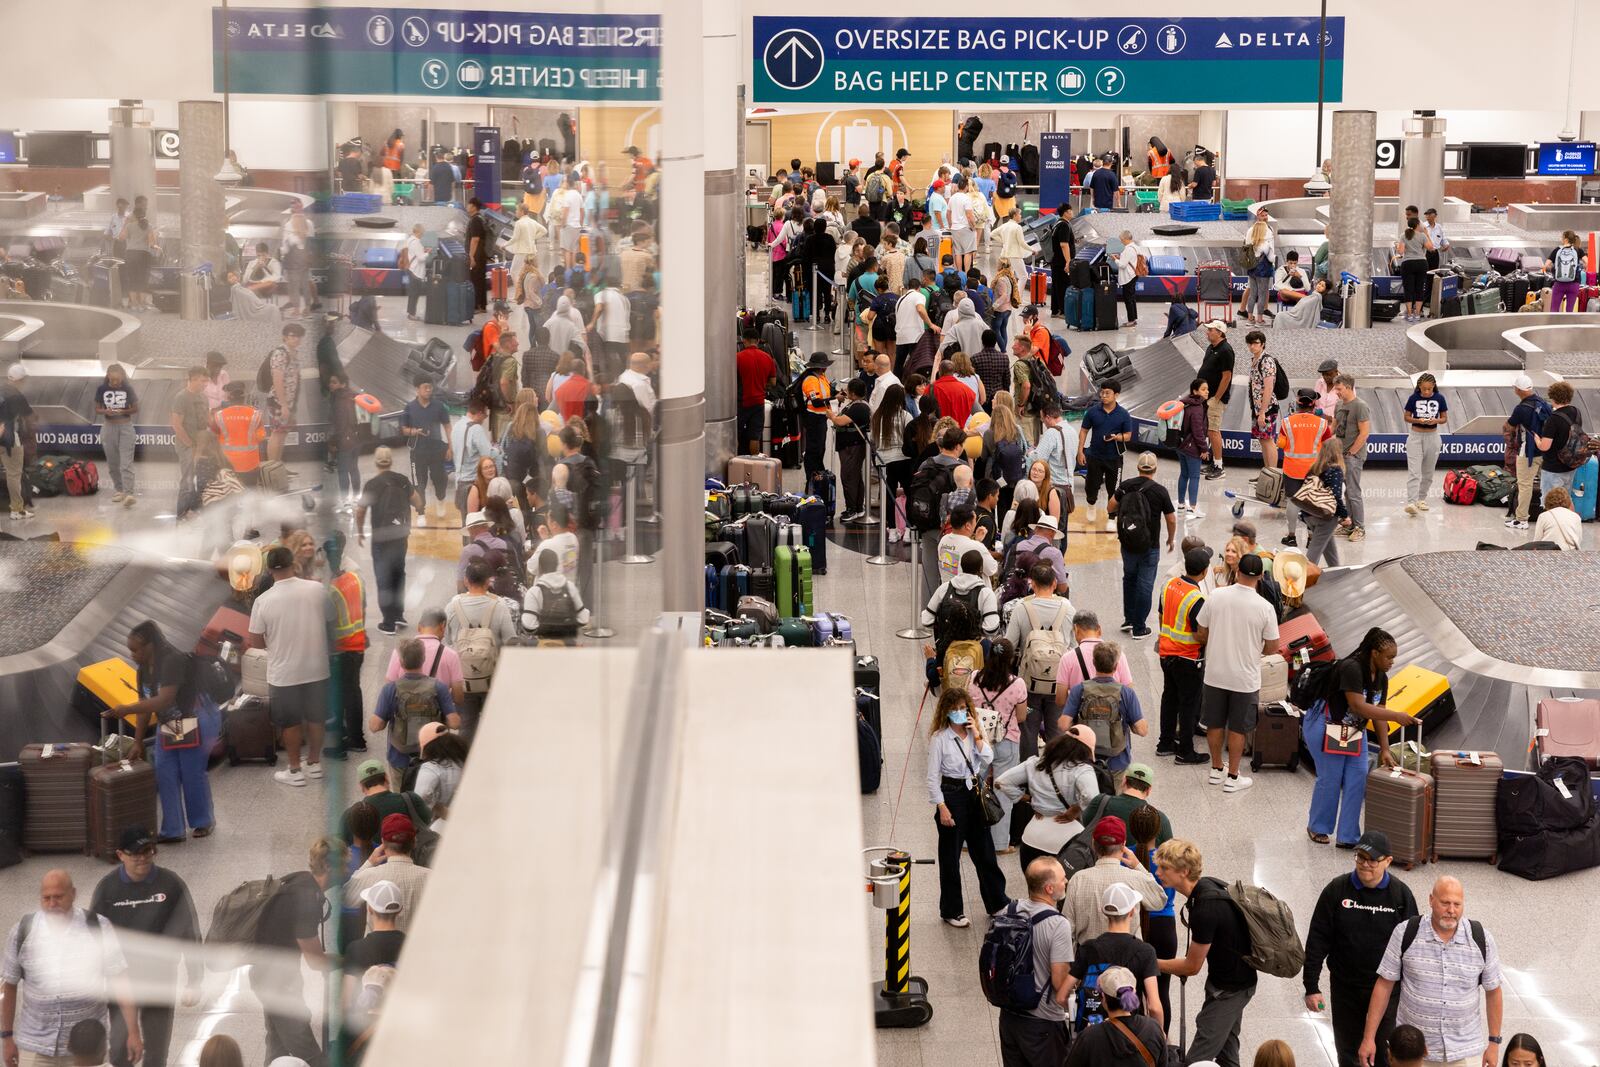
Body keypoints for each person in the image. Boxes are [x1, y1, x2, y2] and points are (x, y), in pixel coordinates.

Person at [1303, 831, 1420, 1067]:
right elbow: (1317, 939)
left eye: (1372, 860)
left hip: (1387, 989)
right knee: (1348, 1052)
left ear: (1388, 861)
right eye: (1360, 858)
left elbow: (1413, 947)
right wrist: (1311, 986)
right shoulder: (1337, 890)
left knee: (1384, 1054)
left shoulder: (1400, 896)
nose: (1365, 865)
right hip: (1345, 987)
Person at [2, 871, 142, 1067]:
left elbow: (120, 980)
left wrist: (133, 1032)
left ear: (73, 894)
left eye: (58, 897)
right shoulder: (22, 931)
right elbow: (9, 986)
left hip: (85, 1050)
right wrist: (6, 1037)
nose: (52, 904)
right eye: (46, 898)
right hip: (35, 1047)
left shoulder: (98, 927)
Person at [1361, 877, 1504, 1067]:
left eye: (1457, 904)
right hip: (1414, 1053)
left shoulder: (1481, 939)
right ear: (1431, 900)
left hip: (1465, 1051)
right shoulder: (1405, 933)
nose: (1451, 910)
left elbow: (1493, 992)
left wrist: (1494, 1044)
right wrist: (1368, 1038)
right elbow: (1384, 985)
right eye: (1445, 903)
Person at [89, 829, 202, 1067]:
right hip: (121, 982)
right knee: (120, 1052)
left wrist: (194, 980)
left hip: (159, 979)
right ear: (120, 855)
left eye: (148, 851)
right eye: (136, 853)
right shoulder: (107, 890)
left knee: (157, 1054)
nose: (143, 858)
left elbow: (189, 932)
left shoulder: (170, 884)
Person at [105, 622, 219, 841]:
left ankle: (202, 821)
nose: (132, 654)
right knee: (164, 771)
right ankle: (173, 829)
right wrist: (138, 742)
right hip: (169, 723)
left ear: (150, 646)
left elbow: (163, 700)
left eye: (135, 649)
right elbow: (145, 708)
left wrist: (125, 709)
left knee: (191, 772)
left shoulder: (172, 661)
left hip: (195, 717)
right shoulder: (142, 672)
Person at [1302, 628, 1415, 846]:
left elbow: (1379, 714)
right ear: (1374, 653)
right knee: (1331, 778)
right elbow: (1358, 706)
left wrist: (1384, 748)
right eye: (1389, 657)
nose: (1392, 662)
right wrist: (1397, 716)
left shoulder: (1382, 677)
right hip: (1325, 724)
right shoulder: (1351, 668)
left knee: (1358, 777)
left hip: (1352, 729)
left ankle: (1348, 836)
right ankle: (1318, 827)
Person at [1155, 840, 1256, 1067]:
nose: (1158, 872)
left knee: (1196, 1061)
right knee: (1228, 1056)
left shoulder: (1205, 909)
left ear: (1184, 872)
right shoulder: (1209, 886)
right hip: (1234, 982)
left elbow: (1192, 967)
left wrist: (1152, 963)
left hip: (1230, 990)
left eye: (1164, 868)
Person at [1195, 552, 1280, 794]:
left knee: (1214, 722)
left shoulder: (1216, 596)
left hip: (1215, 672)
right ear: (1261, 576)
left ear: (1237, 571)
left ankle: (1215, 769)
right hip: (1245, 678)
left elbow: (1201, 630)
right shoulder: (1265, 607)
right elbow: (1273, 647)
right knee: (1238, 728)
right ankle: (1233, 776)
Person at [248, 544, 332, 787]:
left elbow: (255, 641)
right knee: (316, 718)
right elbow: (330, 620)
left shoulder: (263, 601)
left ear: (268, 570)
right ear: (293, 564)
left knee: (290, 722)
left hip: (284, 673)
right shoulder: (316, 590)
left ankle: (294, 771)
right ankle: (314, 763)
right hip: (317, 668)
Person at [926, 688, 1009, 927]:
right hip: (951, 794)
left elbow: (988, 758)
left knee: (984, 850)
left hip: (973, 792)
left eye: (963, 709)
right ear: (946, 712)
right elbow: (932, 777)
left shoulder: (974, 732)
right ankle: (952, 909)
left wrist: (977, 734)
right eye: (955, 710)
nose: (960, 713)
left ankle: (997, 902)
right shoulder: (940, 739)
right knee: (950, 855)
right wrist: (941, 806)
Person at [990, 857, 1074, 1067]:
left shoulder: (1007, 911)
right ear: (1048, 888)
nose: (1066, 882)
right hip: (1042, 1022)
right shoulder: (1058, 925)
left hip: (1009, 1016)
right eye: (1063, 879)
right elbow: (1059, 981)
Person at [1064, 881, 1163, 1032]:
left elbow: (1061, 996)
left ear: (1103, 912)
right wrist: (1159, 1034)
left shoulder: (1088, 948)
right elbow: (1154, 1007)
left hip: (1096, 1032)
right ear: (1132, 912)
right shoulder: (1145, 951)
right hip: (1132, 1033)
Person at [1063, 815, 1168, 948]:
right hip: (1127, 962)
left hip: (1089, 961)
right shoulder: (1134, 877)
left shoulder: (1078, 879)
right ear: (1123, 844)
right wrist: (1138, 866)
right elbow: (1159, 901)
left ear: (1093, 843)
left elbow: (1067, 929)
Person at [1061, 641, 1148, 790]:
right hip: (1117, 761)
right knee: (1114, 806)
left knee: (1087, 803)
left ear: (1094, 663)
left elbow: (1063, 724)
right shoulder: (1126, 693)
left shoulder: (1079, 690)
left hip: (1085, 761)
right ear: (1116, 666)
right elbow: (1142, 730)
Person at [1108, 452, 1177, 638]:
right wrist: (1171, 539)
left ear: (1138, 467)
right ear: (1155, 469)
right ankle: (1139, 627)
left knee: (1129, 578)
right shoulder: (1160, 491)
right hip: (1150, 545)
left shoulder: (1126, 486)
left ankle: (1129, 619)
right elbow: (1171, 519)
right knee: (1145, 585)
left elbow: (1110, 507)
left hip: (1128, 542)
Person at [355, 446, 420, 636]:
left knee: (383, 577)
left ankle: (388, 622)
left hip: (381, 538)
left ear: (376, 462)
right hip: (400, 536)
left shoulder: (372, 484)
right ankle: (399, 614)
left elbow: (360, 511)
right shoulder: (402, 480)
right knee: (399, 573)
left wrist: (360, 532)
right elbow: (418, 501)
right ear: (391, 461)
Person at [1157, 547, 1212, 764]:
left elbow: (1161, 616)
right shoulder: (1196, 598)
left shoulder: (1169, 585)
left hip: (1166, 653)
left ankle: (1165, 743)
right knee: (1189, 704)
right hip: (1188, 658)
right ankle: (1185, 751)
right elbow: (1200, 635)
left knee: (1169, 698)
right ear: (1205, 572)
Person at [1062, 964, 1167, 1067]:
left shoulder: (1089, 1036)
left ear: (1103, 996)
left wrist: (1091, 1033)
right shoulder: (1153, 1028)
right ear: (1133, 992)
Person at [1278, 388, 1333, 548]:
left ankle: (1291, 536)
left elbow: (1281, 444)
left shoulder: (1286, 422)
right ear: (1314, 404)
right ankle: (1310, 537)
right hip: (1315, 470)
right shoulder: (1322, 424)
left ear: (1298, 402)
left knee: (1293, 502)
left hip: (1292, 469)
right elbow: (1328, 447)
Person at [1078, 382, 1133, 528]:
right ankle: (1091, 504)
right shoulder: (1093, 412)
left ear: (1116, 395)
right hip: (1094, 455)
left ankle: (1111, 518)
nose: (1103, 396)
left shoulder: (1123, 414)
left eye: (1107, 393)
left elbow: (1128, 436)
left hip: (1114, 458)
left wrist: (1116, 437)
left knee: (1114, 489)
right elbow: (1084, 430)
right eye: (1102, 392)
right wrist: (1080, 451)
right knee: (1091, 485)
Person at [399, 378, 452, 525]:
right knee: (419, 483)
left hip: (437, 450)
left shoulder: (439, 406)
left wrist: (450, 447)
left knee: (440, 479)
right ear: (417, 388)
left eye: (430, 387)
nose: (428, 390)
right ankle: (421, 512)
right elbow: (403, 429)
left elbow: (447, 426)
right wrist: (414, 431)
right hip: (418, 452)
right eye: (425, 387)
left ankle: (440, 499)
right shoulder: (409, 407)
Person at [1397, 373, 1450, 516]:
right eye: (1423, 389)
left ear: (1434, 386)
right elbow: (1406, 417)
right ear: (1419, 387)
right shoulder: (1413, 398)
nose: (1426, 392)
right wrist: (1418, 420)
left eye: (1429, 389)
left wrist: (1436, 421)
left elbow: (1444, 418)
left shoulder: (1440, 398)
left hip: (1433, 437)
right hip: (1415, 436)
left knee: (1428, 472)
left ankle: (1421, 498)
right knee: (1414, 472)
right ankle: (1411, 502)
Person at [1502, 376, 1550, 530]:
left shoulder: (1521, 409)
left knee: (1525, 485)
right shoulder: (1543, 403)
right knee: (1548, 484)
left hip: (1528, 452)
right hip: (1546, 450)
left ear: (1518, 390)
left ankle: (1522, 519)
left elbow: (1509, 426)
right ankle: (1552, 516)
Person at [829, 378, 874, 525]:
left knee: (848, 477)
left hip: (852, 447)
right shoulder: (857, 405)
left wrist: (831, 416)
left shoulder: (859, 407)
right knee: (855, 477)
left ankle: (852, 509)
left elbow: (840, 421)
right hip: (851, 446)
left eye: (848, 390)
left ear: (854, 393)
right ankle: (858, 507)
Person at [1332, 374, 1371, 541]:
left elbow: (1364, 434)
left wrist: (1351, 452)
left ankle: (1360, 528)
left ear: (1348, 387)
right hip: (1340, 455)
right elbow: (1333, 427)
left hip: (1352, 457)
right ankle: (1350, 525)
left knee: (1353, 492)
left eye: (1339, 389)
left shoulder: (1360, 406)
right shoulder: (1339, 404)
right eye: (1335, 389)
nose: (1336, 392)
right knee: (1345, 492)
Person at [1300, 438, 1350, 567]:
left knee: (1329, 547)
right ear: (1337, 453)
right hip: (1325, 517)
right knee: (1313, 554)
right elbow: (1335, 496)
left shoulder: (1314, 468)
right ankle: (1304, 579)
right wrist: (1345, 515)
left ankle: (1336, 572)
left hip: (1309, 515)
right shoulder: (1335, 470)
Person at [95, 364, 139, 508]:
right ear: (108, 376)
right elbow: (97, 408)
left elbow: (135, 408)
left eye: (118, 379)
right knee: (113, 462)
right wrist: (106, 411)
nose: (116, 382)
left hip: (125, 427)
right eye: (113, 379)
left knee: (126, 462)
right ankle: (119, 489)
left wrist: (122, 410)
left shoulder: (128, 389)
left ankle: (129, 493)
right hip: (108, 427)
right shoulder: (101, 389)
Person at [521, 547, 590, 638]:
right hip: (568, 644)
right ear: (557, 565)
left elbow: (529, 626)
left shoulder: (534, 592)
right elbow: (584, 619)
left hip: (545, 646)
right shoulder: (570, 587)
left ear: (540, 567)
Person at [1534, 379, 1585, 498]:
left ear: (1553, 397)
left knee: (1551, 501)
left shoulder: (1553, 419)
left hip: (1553, 468)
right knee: (1565, 499)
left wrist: (1537, 440)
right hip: (1570, 464)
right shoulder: (1576, 412)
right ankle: (1571, 517)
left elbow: (1545, 446)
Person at [1196, 322, 1235, 478]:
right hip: (1206, 397)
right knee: (1210, 430)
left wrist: (1216, 398)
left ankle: (1219, 467)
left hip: (1215, 399)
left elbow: (1227, 377)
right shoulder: (1211, 347)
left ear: (1219, 333)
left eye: (1210, 330)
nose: (1207, 332)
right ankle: (1214, 463)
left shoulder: (1226, 350)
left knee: (1213, 431)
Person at [1243, 331, 1283, 469]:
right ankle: (1267, 472)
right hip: (1257, 407)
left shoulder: (1266, 361)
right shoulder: (1255, 360)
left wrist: (1262, 412)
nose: (1252, 346)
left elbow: (1268, 387)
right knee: (1262, 439)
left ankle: (1272, 474)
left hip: (1267, 408)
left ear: (1263, 344)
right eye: (1250, 343)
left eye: (1256, 343)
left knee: (1268, 440)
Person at [734, 331, 776, 455]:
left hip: (741, 402)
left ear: (744, 340)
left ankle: (734, 464)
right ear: (758, 341)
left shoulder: (738, 357)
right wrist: (762, 384)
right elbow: (773, 382)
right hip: (758, 403)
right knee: (755, 437)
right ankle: (754, 465)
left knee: (736, 435)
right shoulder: (767, 357)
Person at [1174, 379, 1211, 518]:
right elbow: (1198, 432)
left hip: (1181, 446)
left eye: (1207, 389)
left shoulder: (1185, 403)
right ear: (1195, 391)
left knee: (1184, 474)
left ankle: (1181, 504)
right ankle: (1193, 508)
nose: (1207, 391)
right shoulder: (1197, 408)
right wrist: (1204, 449)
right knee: (1194, 477)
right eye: (1203, 389)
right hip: (1192, 448)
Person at [1393, 217, 1434, 323]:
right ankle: (1417, 314)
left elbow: (1401, 252)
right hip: (1421, 263)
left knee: (1408, 289)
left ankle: (1410, 314)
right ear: (1417, 225)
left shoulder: (1404, 235)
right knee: (1419, 289)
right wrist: (1426, 234)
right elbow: (1431, 248)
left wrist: (1398, 246)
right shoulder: (1422, 236)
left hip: (1408, 264)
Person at [1242, 211, 1276, 326]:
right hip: (1263, 270)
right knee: (1262, 294)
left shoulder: (1250, 234)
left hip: (1252, 268)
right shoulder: (1266, 239)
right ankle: (1259, 320)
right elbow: (1271, 258)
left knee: (1252, 294)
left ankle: (1250, 319)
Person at [1111, 230, 1147, 328]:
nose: (1121, 241)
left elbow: (1122, 265)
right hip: (1134, 275)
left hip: (1128, 277)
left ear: (1126, 239)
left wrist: (1115, 259)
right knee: (1132, 298)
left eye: (1121, 239)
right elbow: (1131, 260)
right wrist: (1120, 257)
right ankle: (1134, 319)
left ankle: (1131, 320)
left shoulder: (1128, 249)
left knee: (1128, 299)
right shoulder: (1136, 247)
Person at [1544, 229, 1586, 312]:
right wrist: (1583, 268)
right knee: (1569, 310)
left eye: (1562, 237)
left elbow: (1546, 264)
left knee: (1554, 309)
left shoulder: (1557, 250)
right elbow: (1587, 262)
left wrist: (1549, 269)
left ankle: (1555, 324)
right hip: (1574, 284)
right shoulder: (1578, 250)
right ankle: (1567, 324)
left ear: (1565, 239)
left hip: (1559, 284)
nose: (1561, 239)